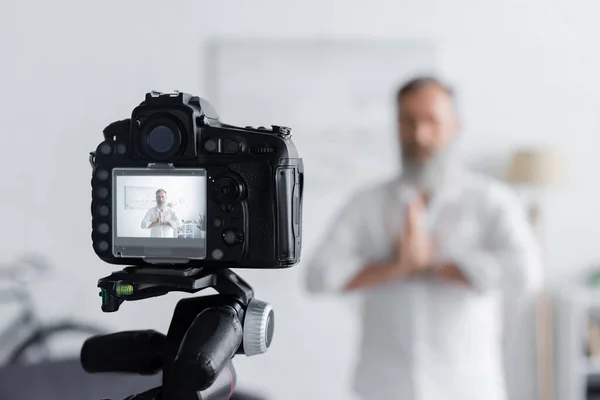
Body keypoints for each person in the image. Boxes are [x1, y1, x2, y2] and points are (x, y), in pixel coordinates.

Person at [304, 76, 543, 400]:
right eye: (408, 121)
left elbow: (527, 273)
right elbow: (317, 276)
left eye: (431, 120)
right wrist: (395, 267)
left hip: (468, 386)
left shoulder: (491, 200)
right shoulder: (366, 202)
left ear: (455, 125)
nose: (419, 135)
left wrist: (433, 266)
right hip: (383, 385)